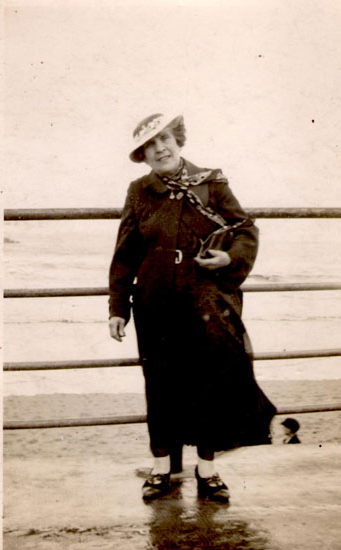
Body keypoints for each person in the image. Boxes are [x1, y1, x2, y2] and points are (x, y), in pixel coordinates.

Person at [108, 113, 276, 502]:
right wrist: (118, 307)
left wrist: (229, 259)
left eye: (164, 139)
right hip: (154, 303)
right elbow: (124, 255)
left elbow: (245, 230)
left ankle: (208, 471)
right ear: (143, 156)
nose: (159, 149)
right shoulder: (139, 191)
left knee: (208, 385)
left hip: (205, 301)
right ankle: (161, 468)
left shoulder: (212, 182)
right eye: (149, 145)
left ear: (178, 139)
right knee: (161, 386)